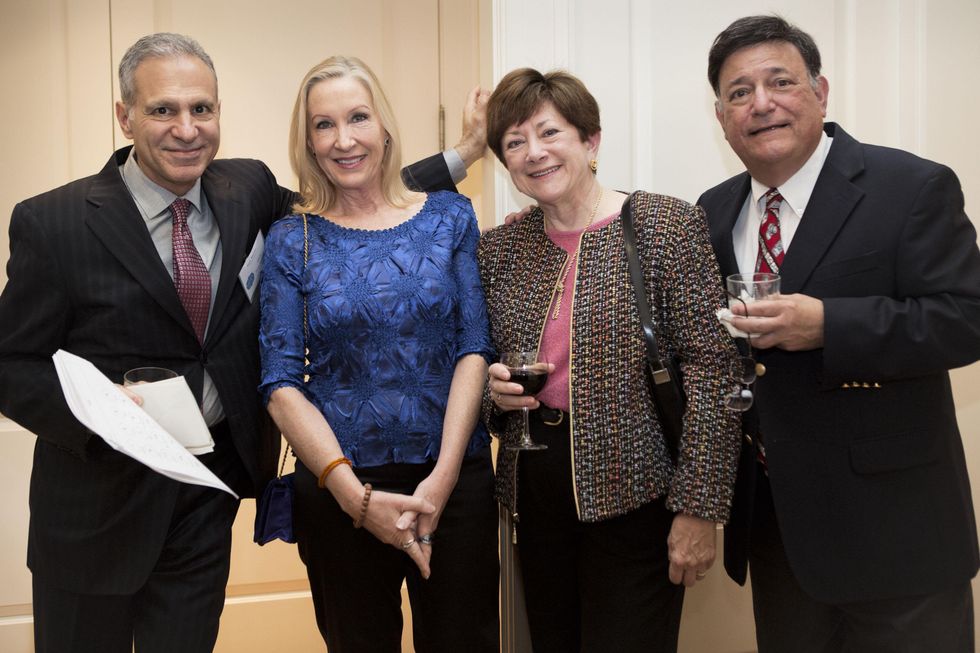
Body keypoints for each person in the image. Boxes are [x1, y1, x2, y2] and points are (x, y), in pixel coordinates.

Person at [0, 33, 485, 653]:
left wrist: (466, 152)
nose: (187, 129)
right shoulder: (55, 222)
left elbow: (360, 209)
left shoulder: (246, 191)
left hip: (206, 498)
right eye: (163, 110)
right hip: (97, 512)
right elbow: (13, 367)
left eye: (202, 109)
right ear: (124, 116)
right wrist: (105, 414)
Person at [699, 15, 980, 653]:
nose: (761, 103)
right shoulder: (712, 212)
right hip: (780, 534)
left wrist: (830, 325)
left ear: (821, 93)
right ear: (721, 116)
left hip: (899, 535)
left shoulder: (910, 186)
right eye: (739, 92)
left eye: (780, 82)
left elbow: (966, 319)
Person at [479, 67, 741, 653]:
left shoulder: (664, 226)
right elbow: (476, 367)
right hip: (532, 489)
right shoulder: (498, 248)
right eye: (515, 143)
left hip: (638, 490)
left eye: (550, 133)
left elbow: (714, 370)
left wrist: (699, 508)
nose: (534, 153)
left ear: (590, 141)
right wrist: (492, 394)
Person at [258, 55, 498, 653]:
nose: (344, 140)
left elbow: (474, 347)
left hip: (453, 482)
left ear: (384, 127)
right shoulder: (294, 238)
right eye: (323, 125)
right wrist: (355, 500)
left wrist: (441, 482)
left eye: (358, 117)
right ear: (307, 141)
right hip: (342, 490)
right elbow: (280, 382)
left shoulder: (449, 215)